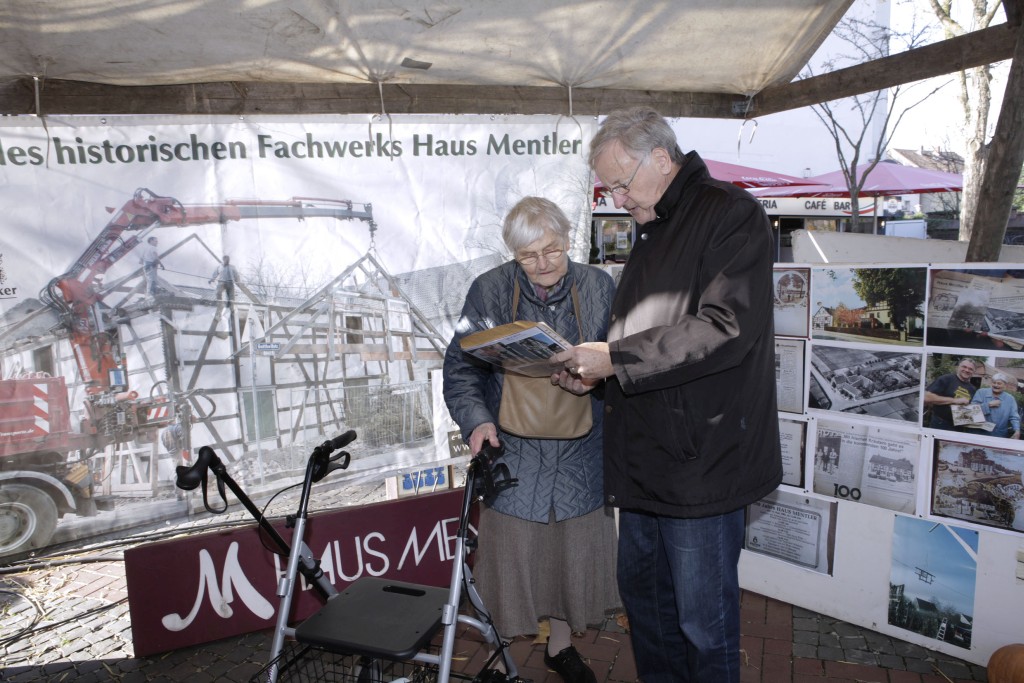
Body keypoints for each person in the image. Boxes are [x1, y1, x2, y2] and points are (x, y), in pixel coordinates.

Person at [552, 107, 782, 683]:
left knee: (703, 624)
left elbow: (724, 328)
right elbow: (650, 329)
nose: (617, 198)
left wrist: (615, 359)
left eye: (620, 184)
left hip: (700, 463)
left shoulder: (731, 213)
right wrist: (597, 374)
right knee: (648, 609)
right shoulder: (655, 222)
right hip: (645, 460)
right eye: (608, 189)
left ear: (661, 158)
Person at [443, 196, 618, 683]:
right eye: (528, 256)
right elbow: (460, 366)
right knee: (509, 561)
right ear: (512, 253)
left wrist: (597, 375)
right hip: (513, 450)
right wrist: (477, 422)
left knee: (572, 556)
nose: (542, 264)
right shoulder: (489, 289)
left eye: (552, 250)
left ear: (568, 238)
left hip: (583, 450)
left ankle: (560, 648)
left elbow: (622, 360)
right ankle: (502, 657)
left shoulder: (599, 286)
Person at [923, 358, 977, 431]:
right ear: (958, 367)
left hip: (959, 427)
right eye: (964, 367)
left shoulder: (973, 389)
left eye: (970, 369)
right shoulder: (946, 379)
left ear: (974, 372)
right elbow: (927, 397)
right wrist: (955, 400)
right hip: (940, 424)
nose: (967, 370)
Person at [969, 372, 1021, 439]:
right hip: (980, 434)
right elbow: (971, 411)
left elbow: (1014, 417)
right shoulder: (981, 393)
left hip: (999, 435)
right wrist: (988, 405)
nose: (996, 385)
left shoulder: (1010, 399)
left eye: (999, 383)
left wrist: (1017, 430)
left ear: (1005, 385)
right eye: (994, 383)